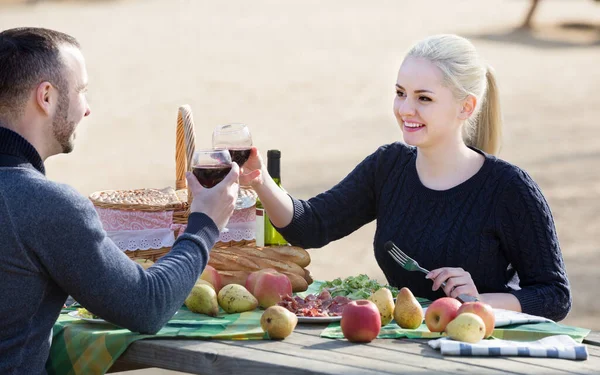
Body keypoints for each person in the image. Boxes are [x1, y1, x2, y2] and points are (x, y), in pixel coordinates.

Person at [241, 34, 571, 322]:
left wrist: (477, 302)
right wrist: (259, 180)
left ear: (466, 107)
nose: (405, 109)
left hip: (477, 350)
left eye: (423, 98)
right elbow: (310, 226)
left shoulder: (509, 189)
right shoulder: (389, 166)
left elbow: (554, 296)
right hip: (399, 345)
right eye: (401, 93)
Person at [0, 27, 239, 374]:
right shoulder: (45, 204)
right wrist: (206, 224)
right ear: (46, 97)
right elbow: (147, 305)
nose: (87, 109)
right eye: (81, 90)